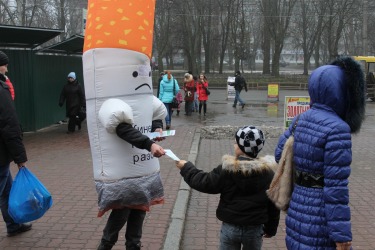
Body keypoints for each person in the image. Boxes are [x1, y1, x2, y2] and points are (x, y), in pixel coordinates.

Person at [274, 56, 366, 250]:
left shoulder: (300, 119)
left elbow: (279, 154)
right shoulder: (338, 129)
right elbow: (336, 188)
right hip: (320, 218)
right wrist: (341, 235)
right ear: (341, 92)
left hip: (297, 207)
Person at [176, 126, 280, 250]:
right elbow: (274, 204)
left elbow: (204, 182)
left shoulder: (228, 170)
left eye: (236, 142)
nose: (234, 144)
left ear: (241, 147)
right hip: (254, 229)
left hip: (230, 227)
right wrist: (271, 229)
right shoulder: (269, 174)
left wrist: (186, 167)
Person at [97, 118, 166, 250]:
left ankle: (132, 246)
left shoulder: (144, 100)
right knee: (121, 213)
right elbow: (121, 127)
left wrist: (157, 127)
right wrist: (149, 144)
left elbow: (152, 114)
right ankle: (105, 245)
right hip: (125, 174)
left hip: (142, 171)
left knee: (138, 213)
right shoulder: (118, 105)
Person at [0, 50, 33, 237]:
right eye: (5, 64)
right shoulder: (2, 88)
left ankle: (13, 225)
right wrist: (20, 158)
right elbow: (9, 125)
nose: (6, 67)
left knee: (7, 191)